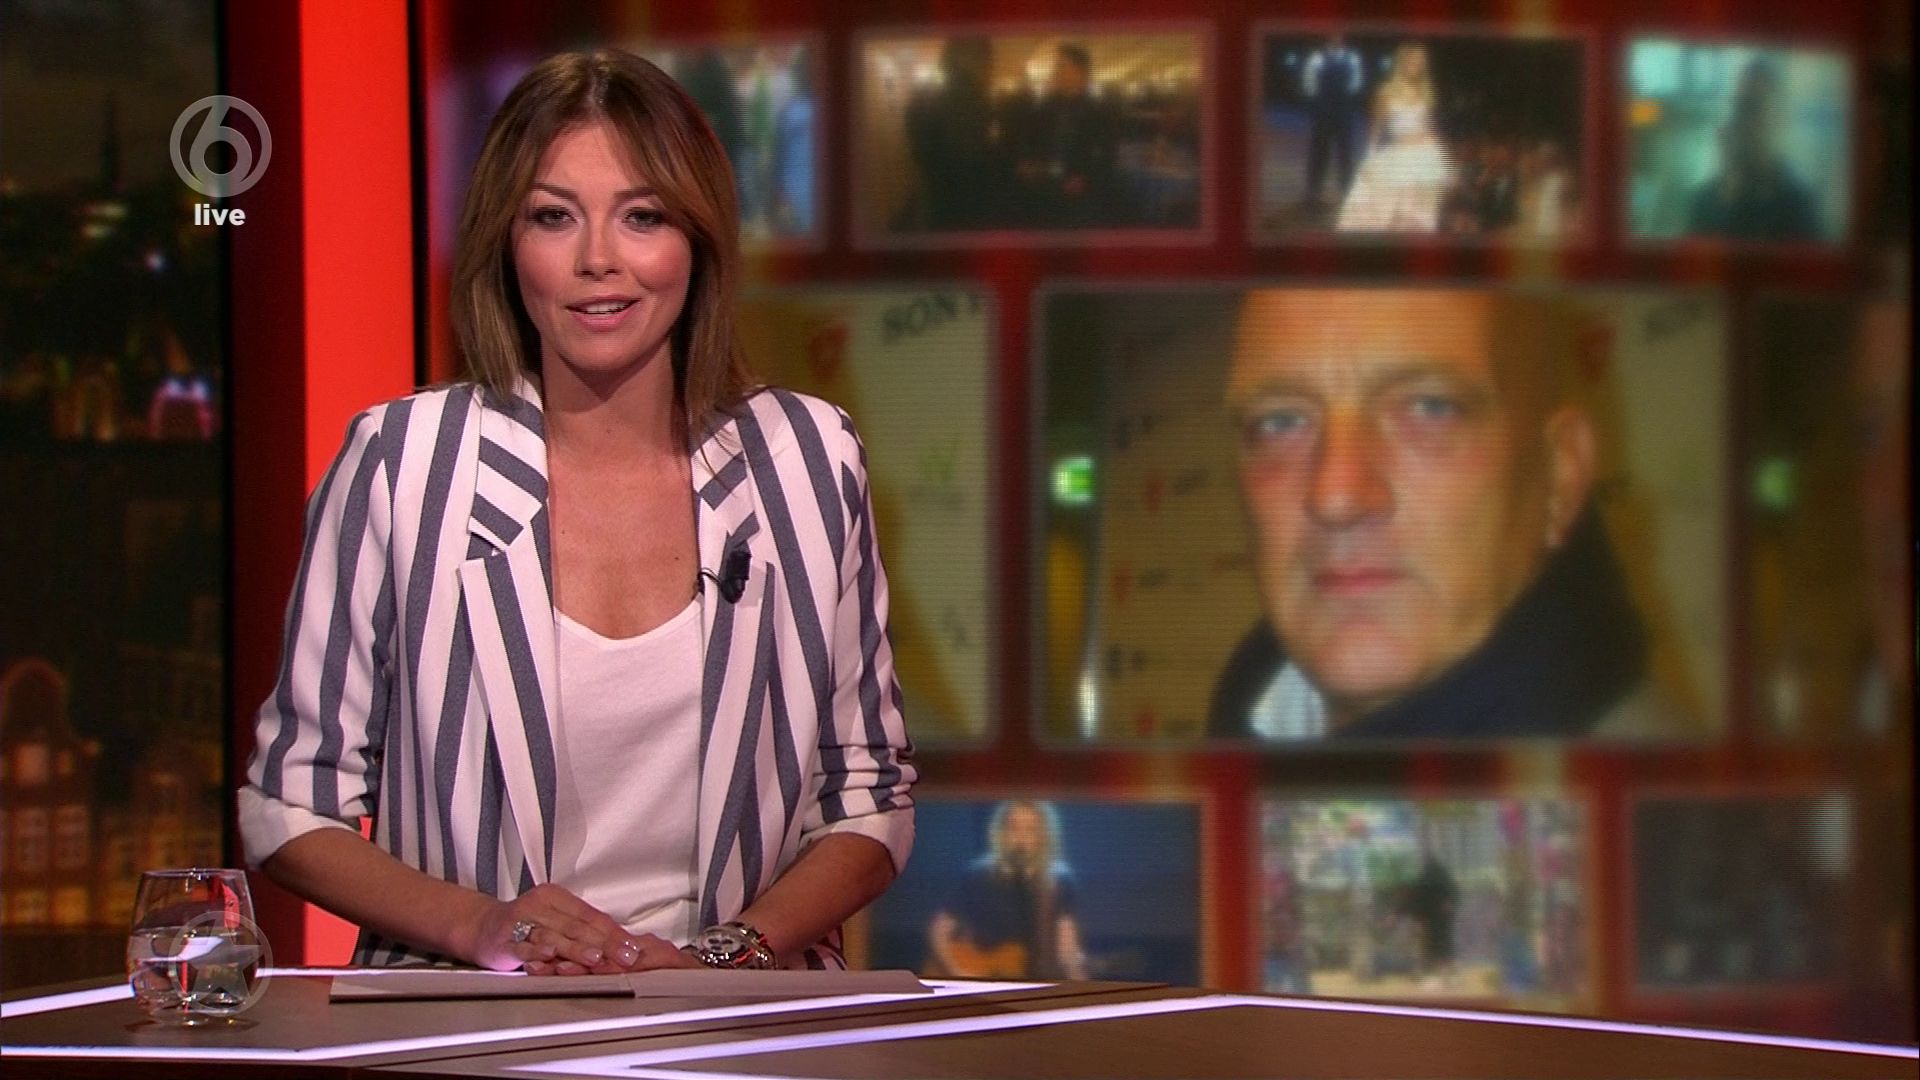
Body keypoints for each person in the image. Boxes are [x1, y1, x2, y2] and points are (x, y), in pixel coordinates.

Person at [239, 49, 916, 973]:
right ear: (507, 243)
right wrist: (481, 928)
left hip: (732, 1016)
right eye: (554, 217)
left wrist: (720, 960)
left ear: (697, 241)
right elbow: (288, 807)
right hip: (470, 1019)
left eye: (643, 216)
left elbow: (868, 800)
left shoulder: (807, 458)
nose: (600, 259)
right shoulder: (404, 462)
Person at [1209, 289, 1665, 740]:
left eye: (1430, 408)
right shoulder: (1248, 707)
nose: (1336, 497)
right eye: (1279, 422)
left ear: (1561, 478)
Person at [927, 799, 1088, 979]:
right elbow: (939, 930)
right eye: (1014, 828)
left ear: (1043, 836)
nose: (1021, 837)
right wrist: (957, 973)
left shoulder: (1059, 881)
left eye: (1030, 830)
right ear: (1002, 833)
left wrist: (1081, 983)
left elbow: (1067, 948)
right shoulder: (978, 874)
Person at [1685, 57, 1822, 242]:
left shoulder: (1797, 203)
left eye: (1752, 107)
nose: (1739, 120)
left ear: (1778, 118)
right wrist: (1727, 189)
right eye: (1737, 108)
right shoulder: (1706, 200)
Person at [1336, 43, 1453, 233]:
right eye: (1413, 61)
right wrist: (1369, 159)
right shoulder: (1386, 92)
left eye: (1421, 62)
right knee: (1388, 209)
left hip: (1426, 155)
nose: (1417, 66)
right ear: (1402, 62)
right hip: (1400, 154)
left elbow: (1429, 126)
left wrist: (1442, 156)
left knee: (1421, 212)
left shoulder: (1426, 92)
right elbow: (1375, 129)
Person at [1010, 42, 1120, 229]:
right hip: (1042, 189)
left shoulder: (1099, 112)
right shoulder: (1045, 107)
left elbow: (1108, 155)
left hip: (1077, 197)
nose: (1055, 72)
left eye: (1061, 66)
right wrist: (1026, 161)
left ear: (1080, 73)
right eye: (1056, 66)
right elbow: (1029, 140)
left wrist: (1085, 179)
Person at [1296, 33, 1366, 210]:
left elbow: (1356, 84)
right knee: (1319, 152)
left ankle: (1346, 189)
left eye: (1339, 37)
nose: (1336, 39)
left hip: (1343, 111)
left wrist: (1343, 100)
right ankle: (1314, 191)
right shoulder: (1316, 58)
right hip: (1323, 111)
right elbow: (1309, 84)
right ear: (1327, 39)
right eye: (1333, 37)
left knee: (1345, 152)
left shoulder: (1352, 58)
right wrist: (1320, 103)